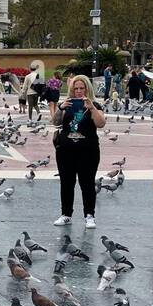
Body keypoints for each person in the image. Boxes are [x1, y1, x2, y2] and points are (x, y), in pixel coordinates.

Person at [51, 75, 106, 229]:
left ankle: (89, 215)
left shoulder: (94, 104)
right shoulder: (66, 104)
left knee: (87, 183)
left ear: (87, 89)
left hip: (88, 151)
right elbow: (55, 122)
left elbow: (101, 123)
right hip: (66, 150)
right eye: (76, 88)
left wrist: (92, 108)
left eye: (82, 88)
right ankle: (66, 214)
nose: (79, 91)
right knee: (66, 183)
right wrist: (61, 108)